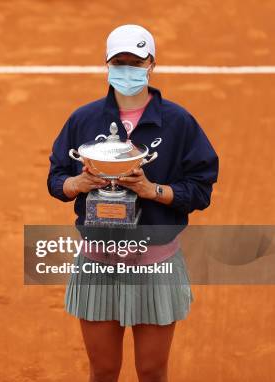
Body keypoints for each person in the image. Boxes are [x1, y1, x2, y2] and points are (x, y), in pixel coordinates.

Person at [47, 25, 218, 382]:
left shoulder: (179, 123)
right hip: (97, 260)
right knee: (104, 370)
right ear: (107, 65)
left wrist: (153, 190)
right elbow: (56, 179)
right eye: (119, 62)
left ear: (151, 63)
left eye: (135, 61)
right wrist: (77, 183)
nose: (127, 69)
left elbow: (200, 189)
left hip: (155, 264)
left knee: (153, 371)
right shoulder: (84, 119)